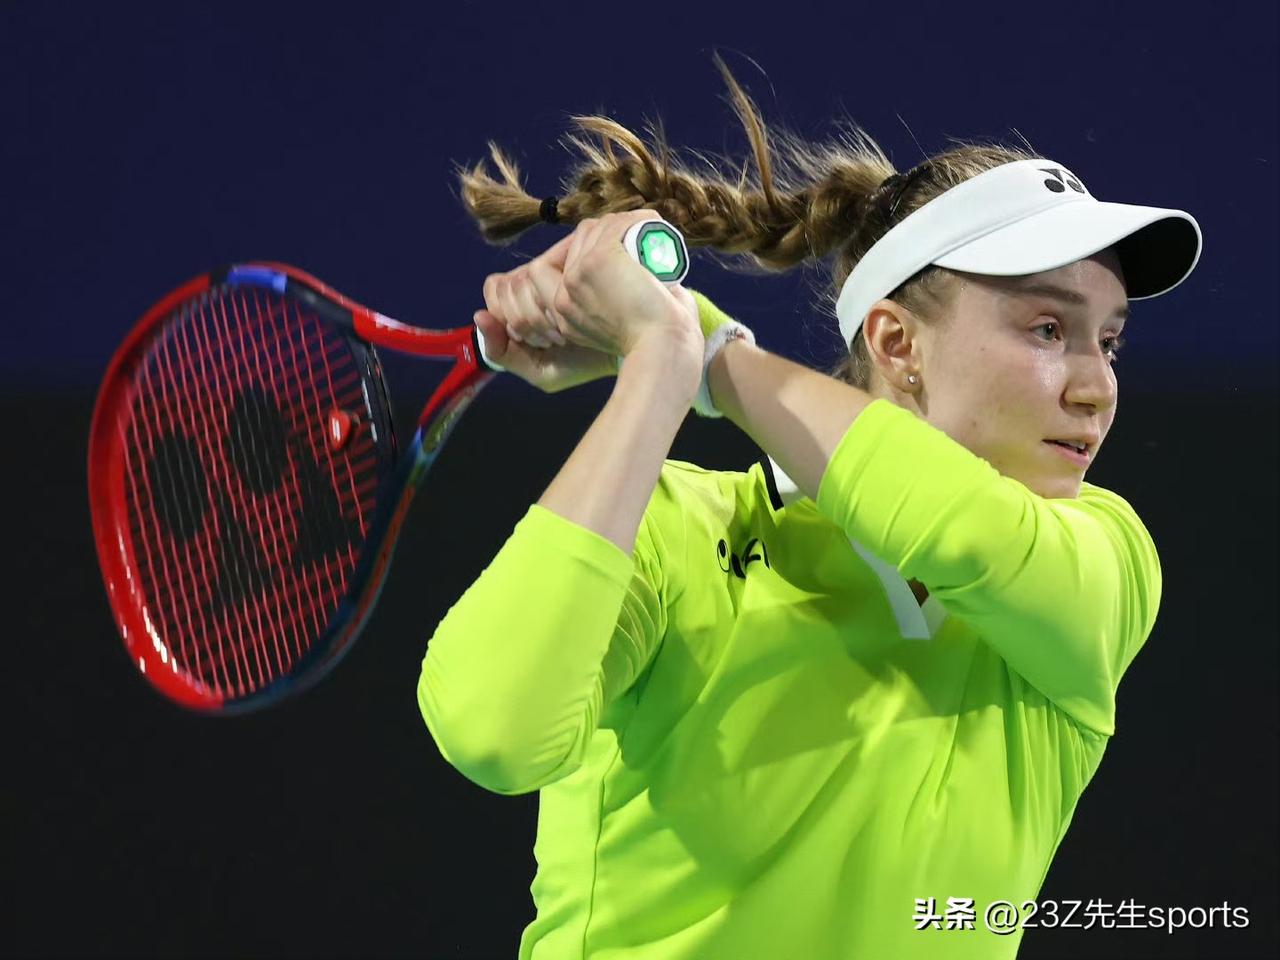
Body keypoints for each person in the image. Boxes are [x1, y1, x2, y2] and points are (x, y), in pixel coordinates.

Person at [416, 58, 1201, 959]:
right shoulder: (676, 526)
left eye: (1110, 342)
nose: (1096, 387)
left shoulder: (1104, 560)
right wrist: (657, 367)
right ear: (897, 345)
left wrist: (708, 352)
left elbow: (967, 535)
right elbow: (494, 732)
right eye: (1049, 330)